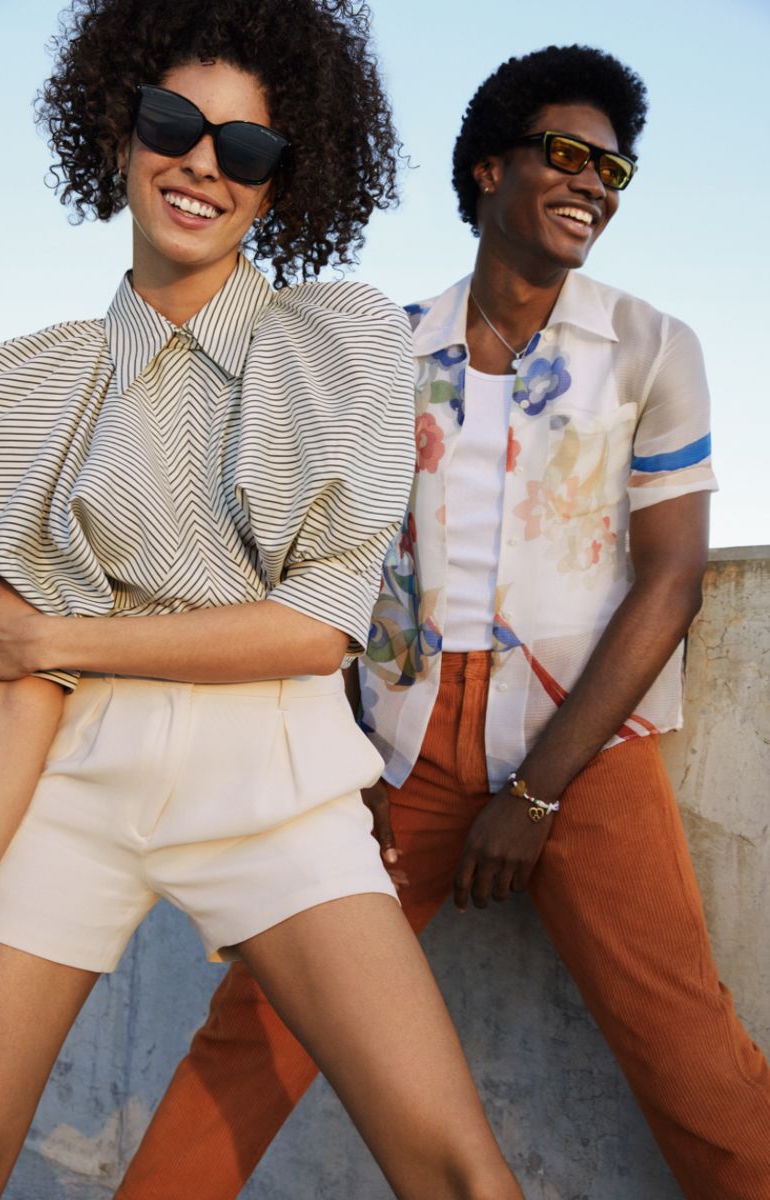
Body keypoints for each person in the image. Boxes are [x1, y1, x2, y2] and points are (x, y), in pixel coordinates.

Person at [107, 43, 770, 1200]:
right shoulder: (380, 353)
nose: (592, 183)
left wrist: (536, 796)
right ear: (487, 170)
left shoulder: (651, 349)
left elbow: (671, 582)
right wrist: (338, 757)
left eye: (613, 170)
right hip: (392, 750)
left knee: (688, 1052)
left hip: (583, 747)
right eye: (565, 155)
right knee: (262, 1025)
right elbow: (314, 569)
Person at [0, 3, 527, 1198]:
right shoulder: (18, 389)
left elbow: (315, 627)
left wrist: (56, 634)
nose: (202, 165)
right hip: (74, 774)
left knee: (456, 1173)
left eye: (247, 148)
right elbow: (18, 685)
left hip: (274, 778)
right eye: (173, 122)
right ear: (120, 129)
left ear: (280, 184)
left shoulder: (338, 340)